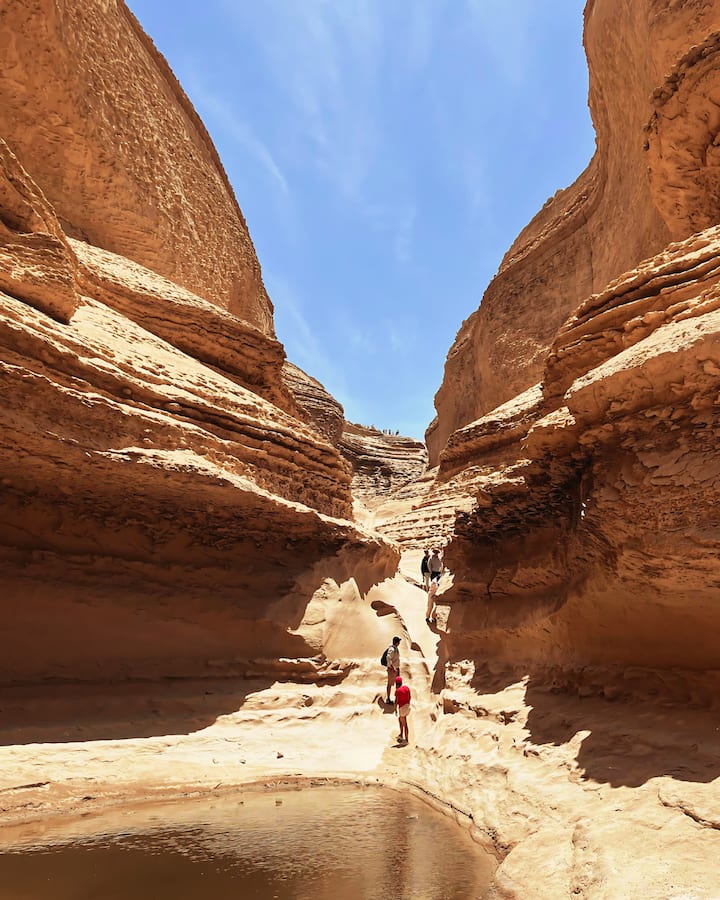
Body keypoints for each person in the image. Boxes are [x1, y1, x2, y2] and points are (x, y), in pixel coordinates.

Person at [394, 676, 411, 743]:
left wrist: (395, 709)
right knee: (400, 720)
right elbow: (410, 696)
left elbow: (396, 701)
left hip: (402, 707)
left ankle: (406, 740)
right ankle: (401, 734)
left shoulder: (397, 691)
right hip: (407, 706)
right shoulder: (406, 688)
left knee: (404, 724)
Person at [385, 636, 401, 704]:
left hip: (396, 669)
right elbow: (388, 657)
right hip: (392, 669)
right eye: (399, 641)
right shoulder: (392, 649)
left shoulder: (396, 649)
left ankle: (397, 698)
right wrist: (392, 667)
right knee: (390, 684)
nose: (399, 643)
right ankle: (388, 699)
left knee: (398, 684)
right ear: (397, 642)